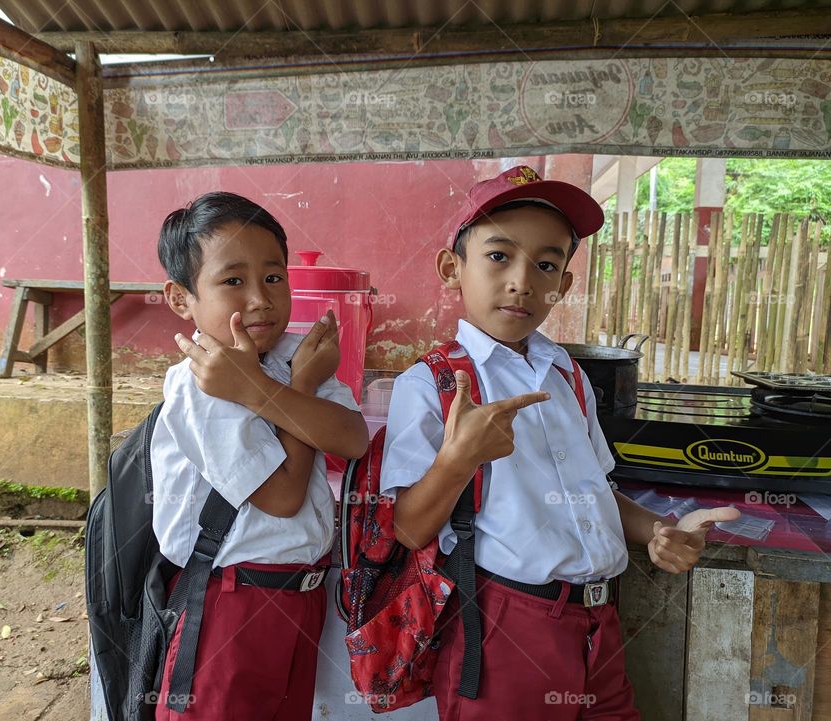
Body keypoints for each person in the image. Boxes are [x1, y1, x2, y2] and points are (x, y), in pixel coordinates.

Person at [379, 165, 740, 721]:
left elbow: (597, 490)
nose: (523, 279)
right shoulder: (432, 383)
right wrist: (459, 459)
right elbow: (406, 528)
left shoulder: (565, 374)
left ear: (563, 285)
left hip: (599, 623)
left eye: (546, 264)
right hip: (504, 626)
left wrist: (656, 531)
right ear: (453, 268)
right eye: (499, 256)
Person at [152, 191, 369, 720]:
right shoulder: (198, 383)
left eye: (274, 277)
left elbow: (352, 437)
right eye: (232, 281)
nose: (259, 299)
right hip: (232, 605)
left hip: (302, 598)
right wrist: (278, 391)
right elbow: (283, 496)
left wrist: (270, 387)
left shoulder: (300, 357)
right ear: (182, 299)